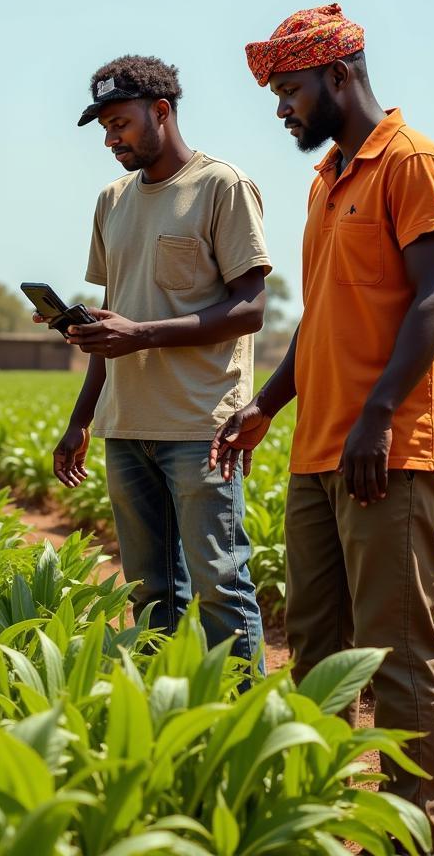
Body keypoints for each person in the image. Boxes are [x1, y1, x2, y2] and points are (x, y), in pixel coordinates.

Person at [211, 3, 434, 853]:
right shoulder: (329, 178)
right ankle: (318, 822)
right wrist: (268, 404)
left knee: (397, 652)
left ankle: (409, 834)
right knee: (319, 652)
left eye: (290, 90)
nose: (282, 108)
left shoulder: (412, 163)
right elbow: (322, 316)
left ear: (340, 76)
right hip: (317, 449)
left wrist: (377, 416)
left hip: (387, 453)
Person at [52, 54, 270, 665]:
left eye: (119, 124)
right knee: (150, 598)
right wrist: (81, 417)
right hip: (126, 429)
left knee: (221, 587)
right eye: (103, 128)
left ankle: (243, 733)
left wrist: (142, 334)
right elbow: (114, 315)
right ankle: (162, 723)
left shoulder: (221, 186)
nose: (109, 139)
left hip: (202, 427)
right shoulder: (111, 201)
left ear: (162, 112)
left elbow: (250, 308)